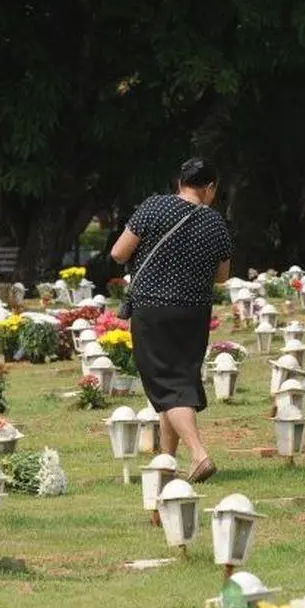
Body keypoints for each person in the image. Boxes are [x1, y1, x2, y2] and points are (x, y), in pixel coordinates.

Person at [110, 157, 232, 483]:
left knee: (168, 385)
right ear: (208, 188)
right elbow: (222, 275)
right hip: (193, 312)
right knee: (177, 380)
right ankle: (167, 460)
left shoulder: (154, 207)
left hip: (154, 308)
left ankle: (198, 454)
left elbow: (119, 253)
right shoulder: (215, 222)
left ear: (180, 182)